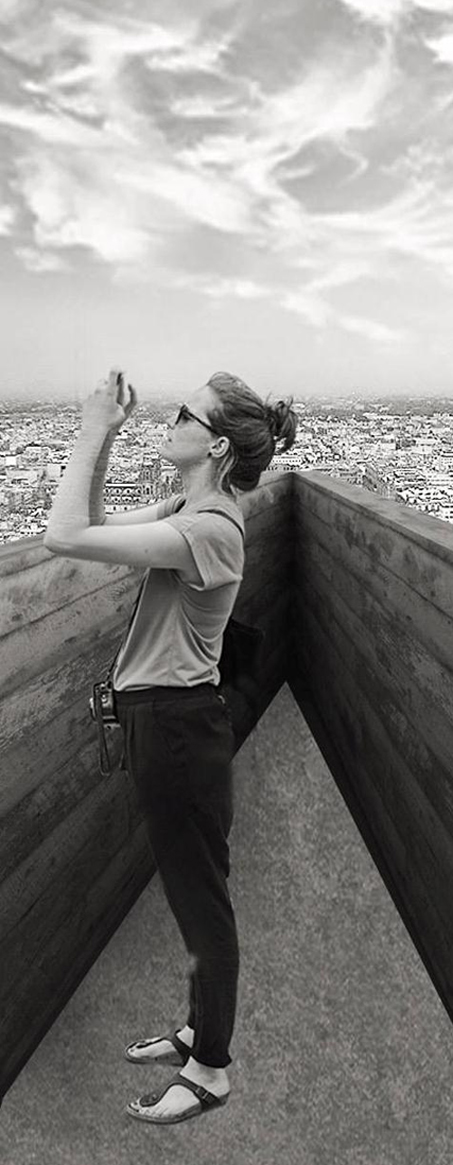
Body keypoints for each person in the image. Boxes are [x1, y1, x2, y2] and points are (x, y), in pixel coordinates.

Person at [44, 368, 297, 1125]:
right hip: (170, 721)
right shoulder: (191, 508)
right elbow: (93, 528)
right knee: (195, 889)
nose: (172, 417)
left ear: (215, 444)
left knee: (202, 903)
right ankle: (199, 1028)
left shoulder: (210, 530)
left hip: (179, 730)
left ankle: (211, 1068)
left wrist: (92, 426)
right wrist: (113, 435)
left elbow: (62, 536)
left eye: (186, 413)